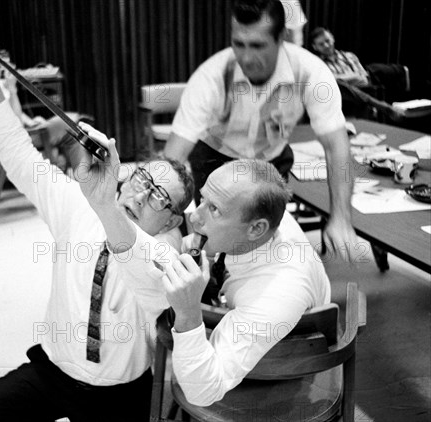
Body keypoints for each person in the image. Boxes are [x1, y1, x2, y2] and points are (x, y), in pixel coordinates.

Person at [0, 29, 194, 422]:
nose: (140, 196)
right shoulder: (77, 204)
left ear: (171, 220)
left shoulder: (168, 255)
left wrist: (105, 206)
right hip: (53, 372)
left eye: (158, 197)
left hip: (121, 392)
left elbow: (135, 254)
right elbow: (18, 155)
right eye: (142, 181)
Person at [164, 0, 358, 263]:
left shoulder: (311, 74)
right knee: (207, 242)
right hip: (215, 158)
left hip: (272, 161)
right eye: (238, 44)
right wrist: (160, 217)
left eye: (257, 45)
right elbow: (173, 157)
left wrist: (341, 218)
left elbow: (337, 146)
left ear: (281, 39)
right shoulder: (212, 76)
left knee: (262, 242)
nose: (246, 57)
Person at [159, 159, 331, 406]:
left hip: (279, 368)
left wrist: (187, 314)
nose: (195, 217)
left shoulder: (276, 293)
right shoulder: (263, 223)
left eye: (214, 209)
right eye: (203, 199)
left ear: (256, 229)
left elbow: (202, 393)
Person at [309, 27, 407, 121]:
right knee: (335, 84)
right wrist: (352, 77)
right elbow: (333, 83)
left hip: (363, 93)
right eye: (321, 44)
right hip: (340, 100)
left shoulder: (349, 56)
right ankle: (382, 106)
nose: (326, 45)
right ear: (315, 47)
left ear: (333, 39)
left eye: (327, 41)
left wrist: (342, 79)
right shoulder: (317, 64)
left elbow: (364, 79)